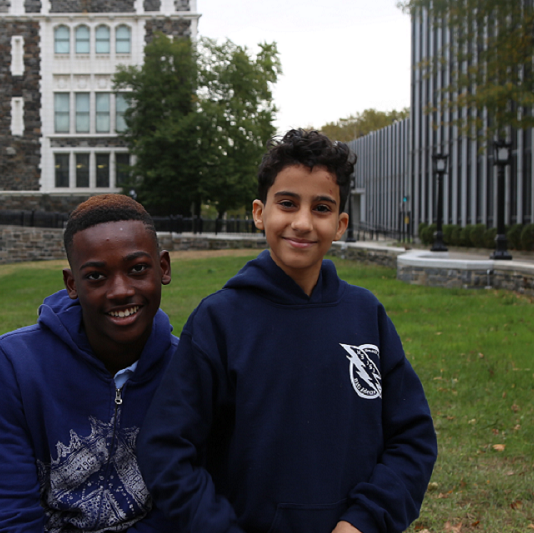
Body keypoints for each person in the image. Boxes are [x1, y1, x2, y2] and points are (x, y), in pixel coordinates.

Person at [137, 129, 437, 533]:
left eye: (322, 208)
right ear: (260, 213)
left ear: (341, 223)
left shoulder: (366, 316)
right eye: (288, 204)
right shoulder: (220, 320)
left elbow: (412, 438)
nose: (302, 223)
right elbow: (166, 448)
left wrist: (364, 521)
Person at [0, 194, 176, 533]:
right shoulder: (13, 365)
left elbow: (177, 509)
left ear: (163, 268)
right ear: (72, 284)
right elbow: (11, 513)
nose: (120, 291)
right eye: (96, 276)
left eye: (137, 269)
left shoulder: (186, 369)